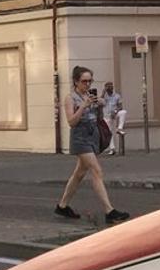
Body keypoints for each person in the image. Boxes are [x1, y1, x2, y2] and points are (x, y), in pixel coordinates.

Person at [55, 66, 130, 224]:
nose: (87, 85)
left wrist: (99, 105)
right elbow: (71, 122)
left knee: (79, 173)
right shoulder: (70, 98)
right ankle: (109, 210)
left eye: (90, 81)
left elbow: (98, 117)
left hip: (92, 136)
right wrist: (83, 105)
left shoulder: (91, 96)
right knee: (96, 170)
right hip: (80, 138)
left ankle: (62, 206)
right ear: (76, 81)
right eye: (84, 81)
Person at [102, 81, 126, 155]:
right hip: (106, 116)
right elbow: (99, 102)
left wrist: (115, 111)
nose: (110, 87)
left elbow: (120, 106)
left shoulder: (117, 96)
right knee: (109, 132)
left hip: (114, 114)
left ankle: (119, 128)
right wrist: (103, 93)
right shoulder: (104, 96)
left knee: (123, 112)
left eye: (111, 86)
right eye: (108, 86)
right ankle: (112, 149)